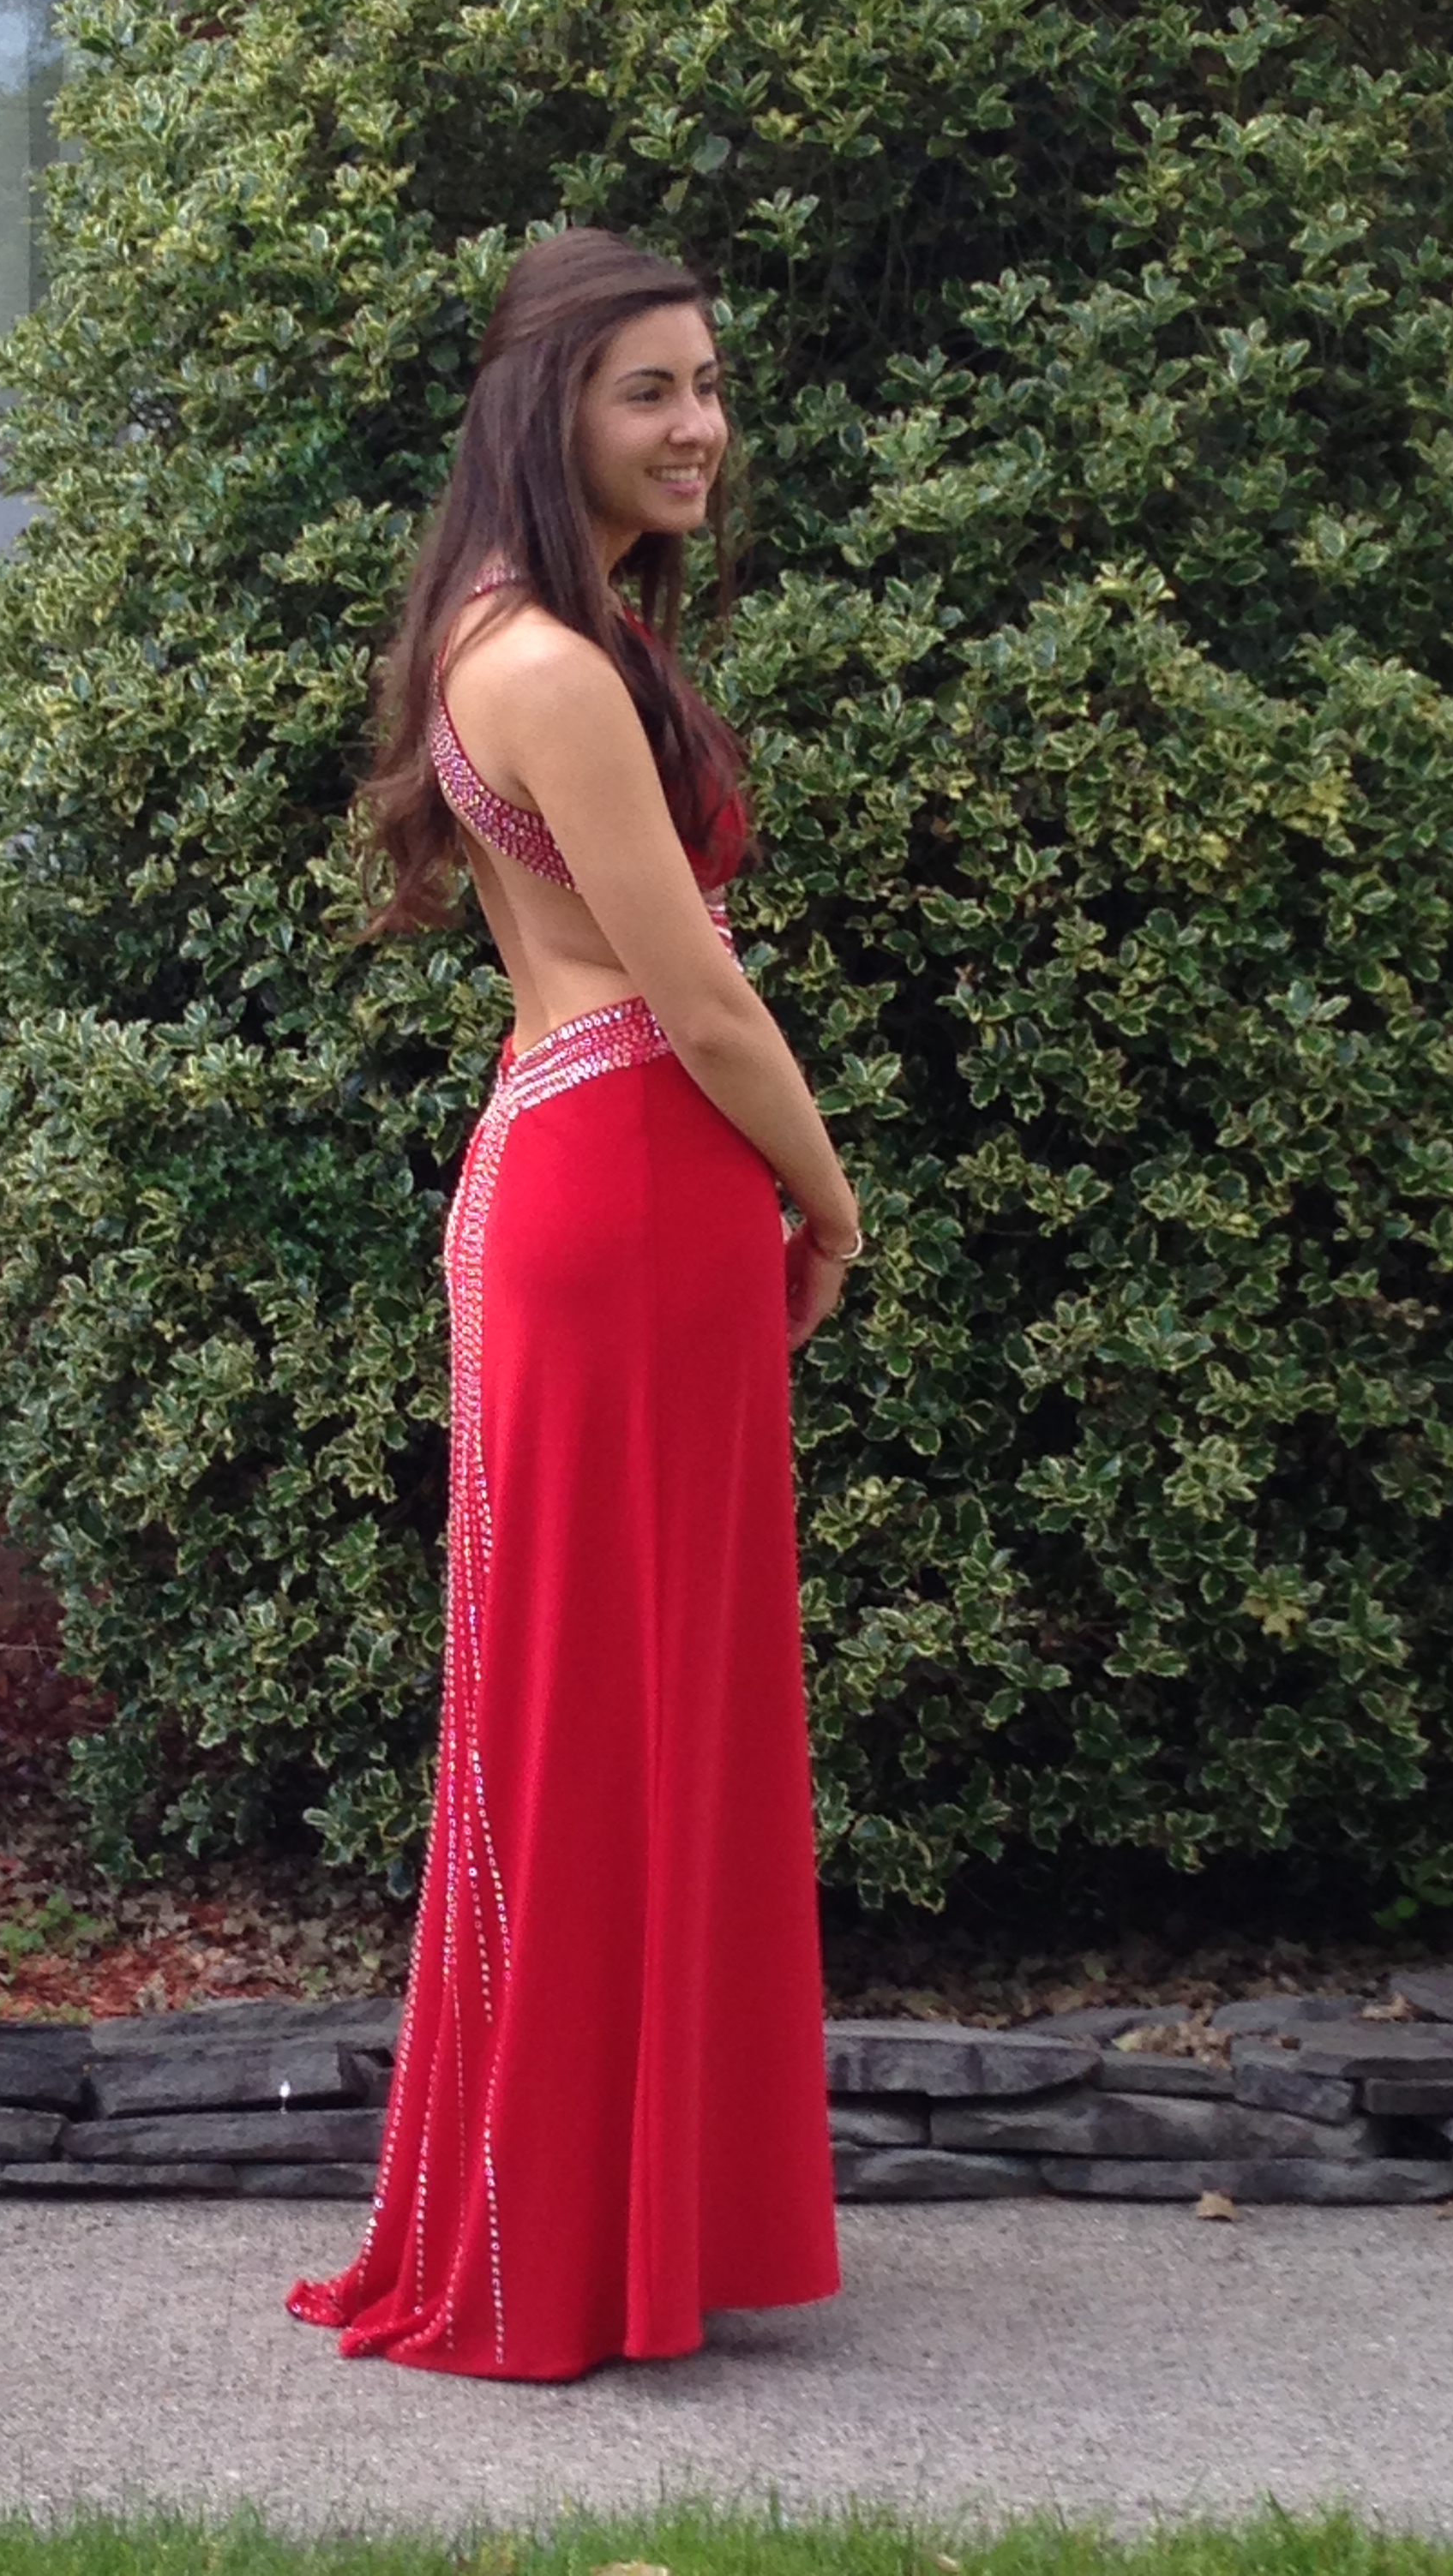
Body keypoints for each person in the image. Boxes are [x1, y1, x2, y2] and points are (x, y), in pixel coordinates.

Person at [285, 225, 860, 2382]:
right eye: (651, 390)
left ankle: (615, 2219)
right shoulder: (547, 662)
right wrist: (833, 1200)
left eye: (709, 383)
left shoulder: (526, 630)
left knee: (624, 1702)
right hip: (626, 1174)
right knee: (604, 1709)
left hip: (596, 1169)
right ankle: (563, 2238)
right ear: (555, 411)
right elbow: (696, 996)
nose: (701, 425)